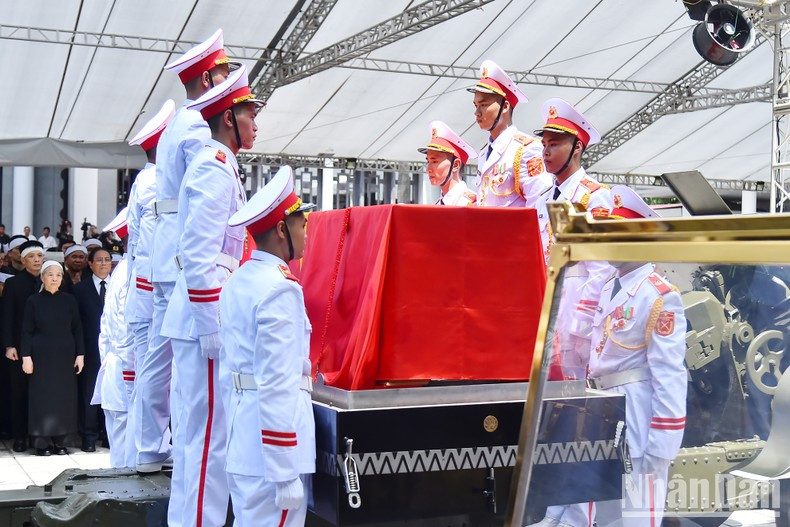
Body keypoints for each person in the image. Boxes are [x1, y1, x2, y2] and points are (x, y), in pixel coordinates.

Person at [161, 64, 261, 527]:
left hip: (205, 313)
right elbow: (198, 255)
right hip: (206, 318)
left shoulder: (222, 168)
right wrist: (212, 328)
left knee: (198, 441)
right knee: (206, 444)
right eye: (249, 114)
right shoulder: (215, 170)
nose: (255, 123)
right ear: (228, 119)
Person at [140, 29, 235, 484]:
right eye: (220, 74)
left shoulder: (179, 122)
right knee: (186, 365)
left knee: (163, 357)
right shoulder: (200, 126)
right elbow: (207, 197)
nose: (225, 82)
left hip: (167, 252)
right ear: (205, 77)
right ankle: (174, 447)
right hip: (185, 254)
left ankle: (151, 447)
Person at [528, 99, 614, 527]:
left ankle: (581, 513)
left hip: (576, 321)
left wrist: (580, 325)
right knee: (555, 419)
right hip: (547, 315)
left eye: (556, 143)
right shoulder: (545, 193)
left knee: (585, 421)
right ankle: (558, 505)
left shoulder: (595, 197)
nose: (545, 150)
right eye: (544, 142)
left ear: (578, 147)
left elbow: (599, 267)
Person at [219, 166, 315, 526]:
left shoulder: (239, 280)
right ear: (280, 229)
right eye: (300, 223)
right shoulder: (280, 289)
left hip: (245, 441)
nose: (306, 231)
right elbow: (277, 383)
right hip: (271, 456)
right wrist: (284, 468)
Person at [587, 186, 687, 527]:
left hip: (636, 416)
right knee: (603, 513)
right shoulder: (607, 287)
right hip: (601, 409)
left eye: (618, 233)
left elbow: (670, 373)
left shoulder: (658, 296)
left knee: (635, 516)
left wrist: (663, 441)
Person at [125, 98, 176, 473]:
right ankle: (149, 451)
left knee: (152, 375)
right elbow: (152, 247)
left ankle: (147, 451)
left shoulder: (146, 179)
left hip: (144, 292)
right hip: (150, 292)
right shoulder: (156, 182)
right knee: (155, 373)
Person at [21, 260, 85, 456]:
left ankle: (60, 441)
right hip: (41, 356)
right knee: (42, 397)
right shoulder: (33, 301)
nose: (54, 278)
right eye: (50, 274)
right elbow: (26, 331)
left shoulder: (69, 300)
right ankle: (41, 443)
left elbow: (77, 329)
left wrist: (80, 354)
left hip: (65, 356)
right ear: (42, 277)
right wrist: (26, 357)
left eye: (58, 275)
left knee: (63, 398)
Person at [467, 60, 551, 207]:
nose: (477, 112)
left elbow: (539, 206)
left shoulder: (527, 150)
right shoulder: (484, 153)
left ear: (505, 107)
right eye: (476, 105)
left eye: (483, 105)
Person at [92, 209, 135, 467]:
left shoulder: (123, 270)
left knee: (123, 446)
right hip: (126, 372)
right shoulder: (132, 272)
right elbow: (125, 331)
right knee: (128, 454)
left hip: (116, 369)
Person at [2, 240, 45, 452]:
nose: (37, 260)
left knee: (43, 392)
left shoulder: (54, 280)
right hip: (19, 347)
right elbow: (7, 317)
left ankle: (40, 435)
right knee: (19, 392)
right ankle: (19, 435)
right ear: (23, 259)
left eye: (39, 256)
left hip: (47, 347)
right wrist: (9, 345)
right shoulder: (13, 284)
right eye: (32, 256)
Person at [73, 247, 112, 452]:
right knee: (89, 392)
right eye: (99, 260)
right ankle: (89, 435)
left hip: (115, 349)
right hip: (90, 348)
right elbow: (76, 323)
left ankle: (108, 433)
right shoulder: (80, 289)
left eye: (107, 260)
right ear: (90, 264)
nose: (104, 263)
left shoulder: (119, 286)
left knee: (111, 392)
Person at [418, 121, 478, 206]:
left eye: (435, 161)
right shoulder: (438, 204)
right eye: (428, 161)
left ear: (455, 165)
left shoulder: (471, 204)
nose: (428, 169)